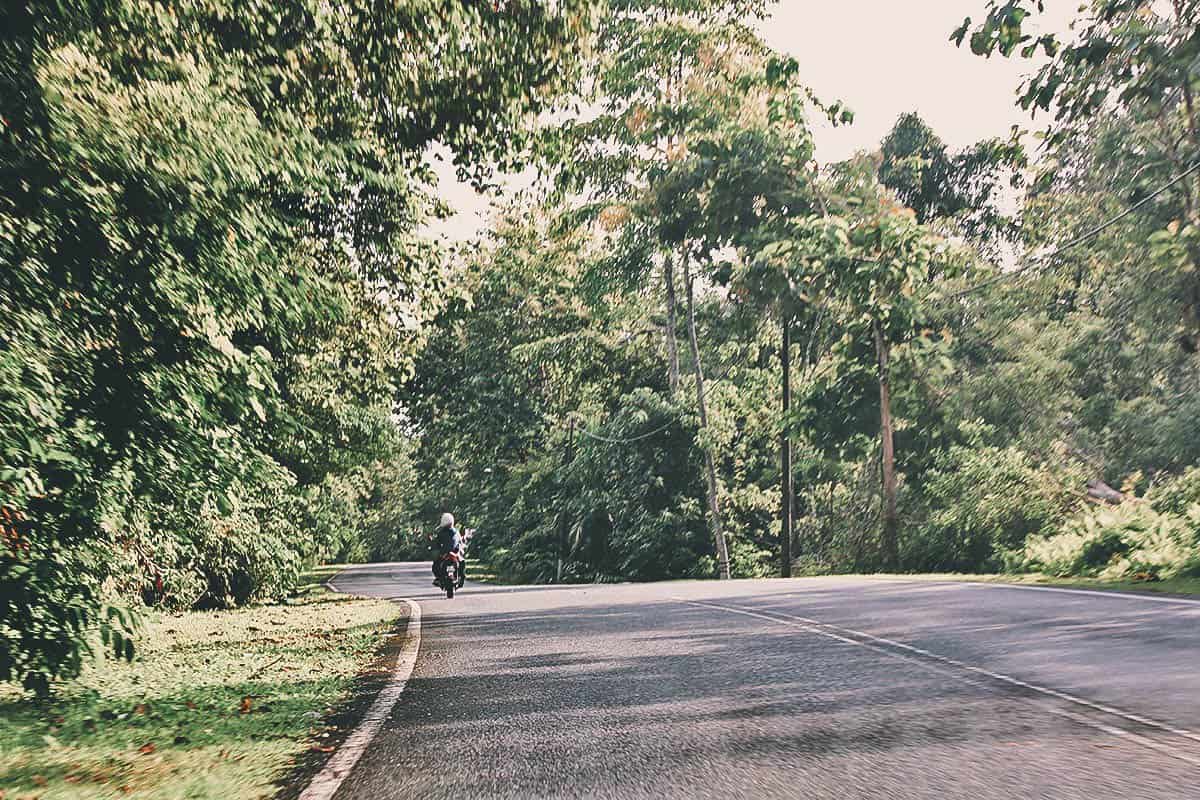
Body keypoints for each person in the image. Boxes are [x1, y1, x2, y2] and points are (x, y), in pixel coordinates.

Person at [432, 512, 463, 586]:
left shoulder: (441, 533)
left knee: (436, 565)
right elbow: (460, 542)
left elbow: (437, 543)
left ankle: (439, 578)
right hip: (454, 553)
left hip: (446, 554)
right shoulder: (456, 532)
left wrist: (435, 547)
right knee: (462, 563)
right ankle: (460, 578)